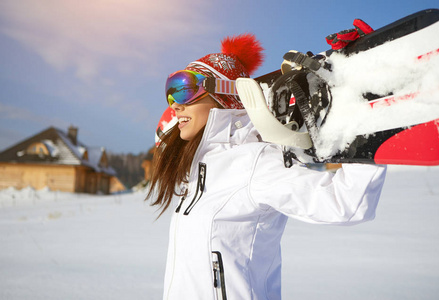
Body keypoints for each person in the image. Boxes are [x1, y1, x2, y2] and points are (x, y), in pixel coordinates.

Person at [147, 33, 386, 300]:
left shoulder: (255, 161)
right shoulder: (196, 170)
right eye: (171, 93)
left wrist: (366, 114)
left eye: (184, 88)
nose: (175, 104)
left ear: (225, 95)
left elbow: (345, 204)